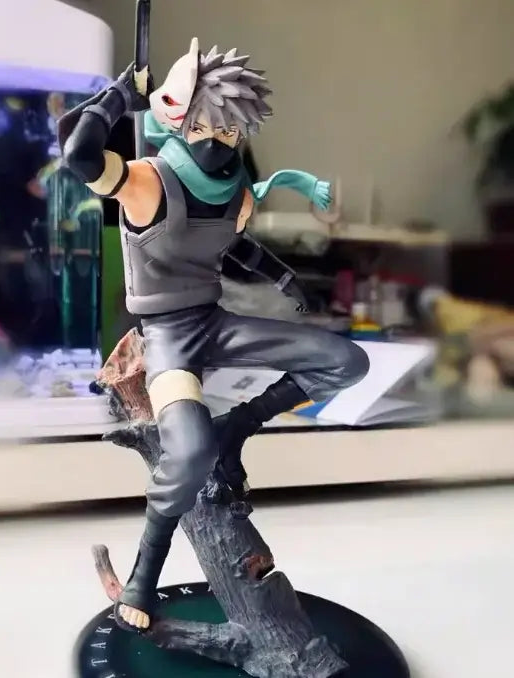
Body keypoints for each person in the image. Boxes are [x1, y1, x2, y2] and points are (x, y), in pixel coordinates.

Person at [60, 38, 370, 633]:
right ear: (180, 121)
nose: (215, 141)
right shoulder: (146, 182)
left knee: (346, 361)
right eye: (203, 126)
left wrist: (284, 277)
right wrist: (120, 95)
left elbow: (234, 245)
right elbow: (79, 154)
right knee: (190, 453)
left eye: (228, 131)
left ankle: (238, 426)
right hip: (168, 339)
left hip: (216, 323)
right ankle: (144, 576)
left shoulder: (237, 193)